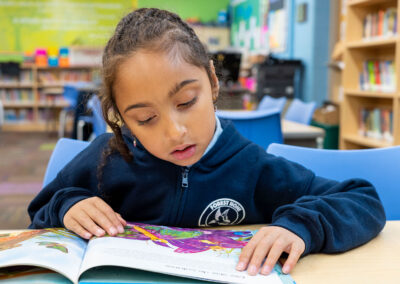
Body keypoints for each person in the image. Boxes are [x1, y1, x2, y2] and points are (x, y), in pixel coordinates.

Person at [28, 8, 385, 277]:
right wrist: (67, 204)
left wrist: (299, 226)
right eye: (146, 119)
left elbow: (362, 200)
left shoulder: (253, 167)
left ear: (212, 81)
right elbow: (38, 216)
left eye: (186, 103)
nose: (175, 132)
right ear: (120, 116)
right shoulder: (105, 159)